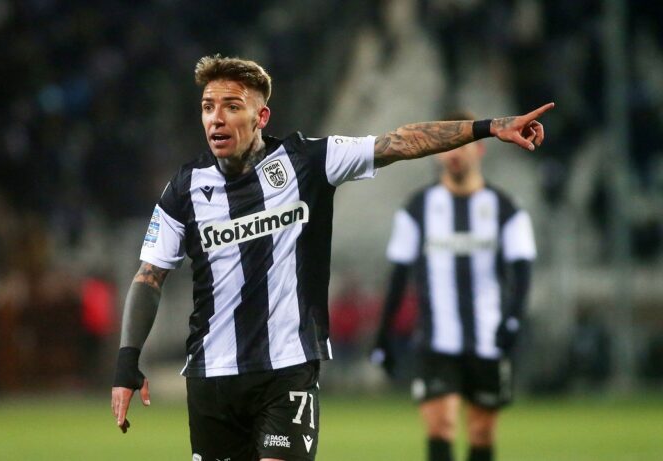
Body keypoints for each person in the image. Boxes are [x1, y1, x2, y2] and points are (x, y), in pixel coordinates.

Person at [110, 55, 552, 461]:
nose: (216, 118)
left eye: (232, 106)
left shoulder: (308, 160)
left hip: (288, 369)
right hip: (212, 376)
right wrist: (126, 361)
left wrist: (490, 127)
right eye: (208, 107)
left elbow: (399, 141)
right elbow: (149, 276)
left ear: (261, 116)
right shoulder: (184, 188)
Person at [371, 110, 537, 461]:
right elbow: (398, 276)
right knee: (441, 425)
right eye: (449, 147)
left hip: (488, 338)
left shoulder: (506, 209)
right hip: (435, 341)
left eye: (464, 145)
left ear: (480, 150)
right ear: (438, 153)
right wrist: (384, 335)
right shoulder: (417, 209)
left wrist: (513, 319)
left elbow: (523, 272)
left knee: (481, 431)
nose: (455, 154)